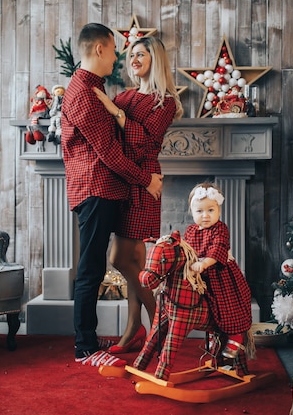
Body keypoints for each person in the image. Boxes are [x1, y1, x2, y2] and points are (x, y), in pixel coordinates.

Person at [61, 23, 163, 367]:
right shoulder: (85, 93)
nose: (120, 58)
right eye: (117, 50)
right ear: (101, 49)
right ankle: (84, 346)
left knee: (111, 261)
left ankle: (121, 331)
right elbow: (109, 152)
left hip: (107, 189)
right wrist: (145, 180)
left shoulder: (96, 89)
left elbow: (127, 138)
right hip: (96, 188)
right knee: (91, 268)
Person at [93, 36, 183, 354]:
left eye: (140, 54)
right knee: (132, 260)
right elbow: (108, 135)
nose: (133, 59)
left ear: (154, 59)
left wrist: (111, 108)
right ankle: (134, 330)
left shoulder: (165, 101)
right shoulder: (125, 95)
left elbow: (141, 143)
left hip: (144, 184)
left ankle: (160, 320)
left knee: (119, 258)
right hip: (122, 180)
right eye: (131, 54)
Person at [183, 182, 253, 359]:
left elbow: (218, 248)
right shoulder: (190, 230)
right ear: (192, 212)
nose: (205, 216)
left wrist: (204, 263)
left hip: (220, 274)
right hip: (199, 277)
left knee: (227, 305)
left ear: (219, 211)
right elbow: (184, 248)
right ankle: (217, 334)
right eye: (199, 211)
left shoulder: (220, 229)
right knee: (206, 308)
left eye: (211, 210)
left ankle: (236, 335)